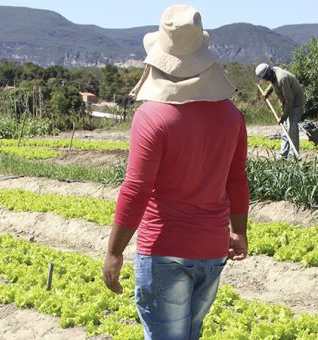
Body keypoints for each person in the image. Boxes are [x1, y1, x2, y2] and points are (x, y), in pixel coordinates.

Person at [102, 4, 250, 340]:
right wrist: (238, 232)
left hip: (165, 249)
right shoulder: (231, 116)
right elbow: (237, 179)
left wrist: (114, 251)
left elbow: (136, 189)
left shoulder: (152, 116)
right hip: (212, 249)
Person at [255, 63, 306, 159]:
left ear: (268, 73)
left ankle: (293, 156)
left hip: (296, 103)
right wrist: (267, 92)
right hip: (287, 103)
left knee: (292, 129)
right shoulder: (273, 73)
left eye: (265, 77)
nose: (265, 80)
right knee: (284, 129)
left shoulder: (282, 78)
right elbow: (273, 83)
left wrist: (283, 117)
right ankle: (283, 154)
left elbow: (290, 100)